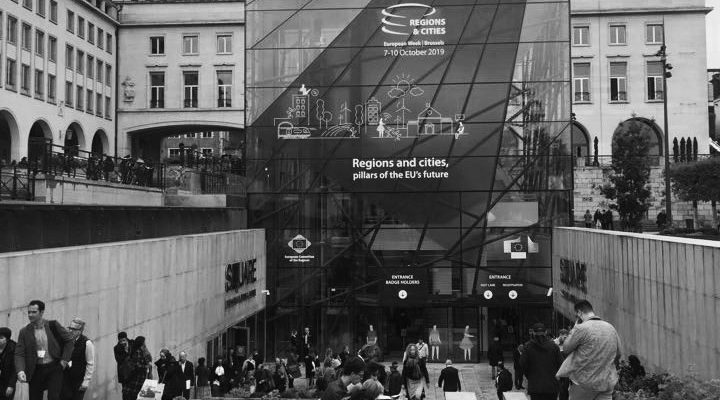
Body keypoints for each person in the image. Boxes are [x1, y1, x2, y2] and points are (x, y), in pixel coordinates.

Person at [556, 300, 622, 400]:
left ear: (579, 312)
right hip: (605, 382)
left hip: (583, 383)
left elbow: (566, 349)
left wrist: (575, 327)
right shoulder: (610, 328)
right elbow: (618, 354)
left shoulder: (581, 328)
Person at [14, 300, 75, 400]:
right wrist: (20, 371)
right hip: (35, 369)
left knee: (53, 397)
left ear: (41, 312)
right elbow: (19, 353)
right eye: (29, 312)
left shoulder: (53, 325)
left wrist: (64, 360)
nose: (30, 315)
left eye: (34, 312)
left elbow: (70, 340)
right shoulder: (24, 331)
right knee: (34, 397)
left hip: (54, 367)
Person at [520, 323, 561, 400]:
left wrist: (530, 376)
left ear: (533, 332)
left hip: (535, 386)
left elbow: (522, 364)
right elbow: (561, 364)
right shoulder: (554, 347)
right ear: (545, 332)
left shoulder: (527, 347)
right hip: (551, 386)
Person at [61, 318, 95, 400]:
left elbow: (90, 364)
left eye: (73, 329)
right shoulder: (65, 341)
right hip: (65, 379)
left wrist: (86, 381)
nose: (70, 331)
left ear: (80, 331)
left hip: (78, 381)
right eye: (70, 328)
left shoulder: (87, 343)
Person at [0, 327, 16, 400]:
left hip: (7, 382)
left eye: (1, 338)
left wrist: (11, 385)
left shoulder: (13, 349)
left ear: (7, 339)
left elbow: (14, 369)